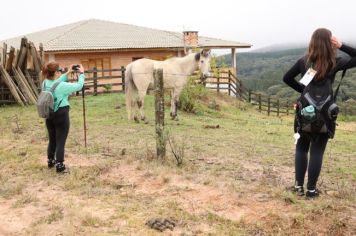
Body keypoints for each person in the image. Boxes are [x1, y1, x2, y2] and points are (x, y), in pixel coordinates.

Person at [283, 28, 356, 198]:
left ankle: (298, 188)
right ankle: (311, 191)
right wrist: (342, 45)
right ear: (330, 43)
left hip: (305, 112)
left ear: (312, 42)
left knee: (301, 149)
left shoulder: (303, 62)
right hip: (325, 114)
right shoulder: (334, 62)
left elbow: (286, 78)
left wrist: (302, 92)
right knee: (317, 151)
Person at [42, 62, 85, 173]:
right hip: (61, 113)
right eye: (59, 70)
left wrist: (67, 73)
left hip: (48, 114)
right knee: (61, 140)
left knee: (52, 139)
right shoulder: (62, 86)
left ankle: (50, 161)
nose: (60, 72)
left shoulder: (45, 83)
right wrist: (82, 74)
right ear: (56, 72)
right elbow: (79, 86)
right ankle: (60, 166)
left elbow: (55, 82)